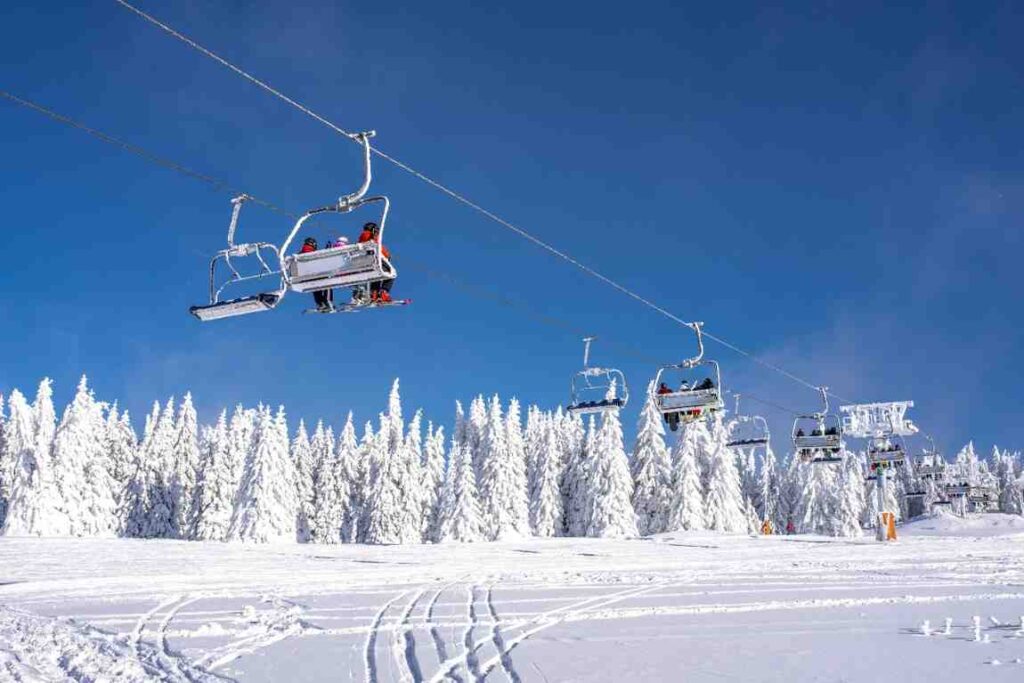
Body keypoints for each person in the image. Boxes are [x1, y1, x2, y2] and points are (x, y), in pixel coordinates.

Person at [358, 221, 395, 303]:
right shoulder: (368, 236)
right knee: (391, 273)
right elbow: (379, 248)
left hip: (368, 262)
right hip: (375, 259)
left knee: (377, 275)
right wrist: (387, 256)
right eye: (377, 230)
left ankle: (374, 293)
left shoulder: (363, 238)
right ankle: (383, 292)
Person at [300, 237, 333, 311]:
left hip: (307, 276)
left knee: (316, 288)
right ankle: (327, 302)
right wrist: (327, 250)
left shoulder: (302, 252)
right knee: (328, 283)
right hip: (315, 273)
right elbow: (319, 259)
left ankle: (320, 303)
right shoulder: (310, 251)